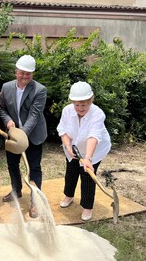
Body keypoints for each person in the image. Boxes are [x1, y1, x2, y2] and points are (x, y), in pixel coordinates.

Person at [0, 55, 47, 217]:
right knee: (12, 165)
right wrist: (8, 122)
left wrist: (22, 136)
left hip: (32, 135)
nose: (25, 76)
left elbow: (34, 115)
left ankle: (36, 200)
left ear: (32, 74)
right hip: (12, 135)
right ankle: (16, 191)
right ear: (16, 72)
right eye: (22, 73)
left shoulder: (39, 90)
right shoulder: (6, 88)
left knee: (33, 167)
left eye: (28, 73)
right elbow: (2, 109)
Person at [57, 81, 111, 221]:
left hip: (94, 150)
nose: (80, 108)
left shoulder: (97, 114)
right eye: (77, 104)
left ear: (90, 101)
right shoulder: (67, 110)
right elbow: (62, 130)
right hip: (72, 147)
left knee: (87, 176)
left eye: (84, 104)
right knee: (71, 171)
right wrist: (68, 147)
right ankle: (68, 196)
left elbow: (93, 136)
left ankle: (87, 207)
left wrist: (88, 158)